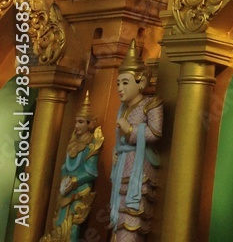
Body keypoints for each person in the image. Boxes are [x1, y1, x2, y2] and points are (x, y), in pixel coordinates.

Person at [110, 40, 163, 240]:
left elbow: (155, 133)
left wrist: (131, 129)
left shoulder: (151, 104)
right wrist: (116, 150)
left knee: (132, 219)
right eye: (118, 83)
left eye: (125, 82)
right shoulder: (121, 109)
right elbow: (119, 140)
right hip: (122, 168)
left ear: (140, 82)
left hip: (139, 173)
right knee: (118, 219)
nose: (120, 88)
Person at [41, 92, 103, 242]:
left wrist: (74, 181)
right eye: (76, 122)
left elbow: (91, 171)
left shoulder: (91, 145)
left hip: (78, 192)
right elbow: (66, 166)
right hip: (65, 190)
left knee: (72, 229)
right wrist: (64, 181)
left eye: (81, 122)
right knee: (58, 223)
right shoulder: (72, 143)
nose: (76, 126)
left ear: (90, 124)